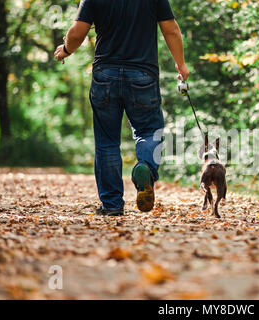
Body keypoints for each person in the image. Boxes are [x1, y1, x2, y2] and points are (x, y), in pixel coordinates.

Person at [54, 0, 189, 215]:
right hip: (143, 75)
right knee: (148, 131)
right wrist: (180, 64)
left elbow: (77, 33)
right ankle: (145, 166)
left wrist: (66, 50)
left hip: (105, 75)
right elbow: (170, 29)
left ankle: (112, 205)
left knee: (107, 142)